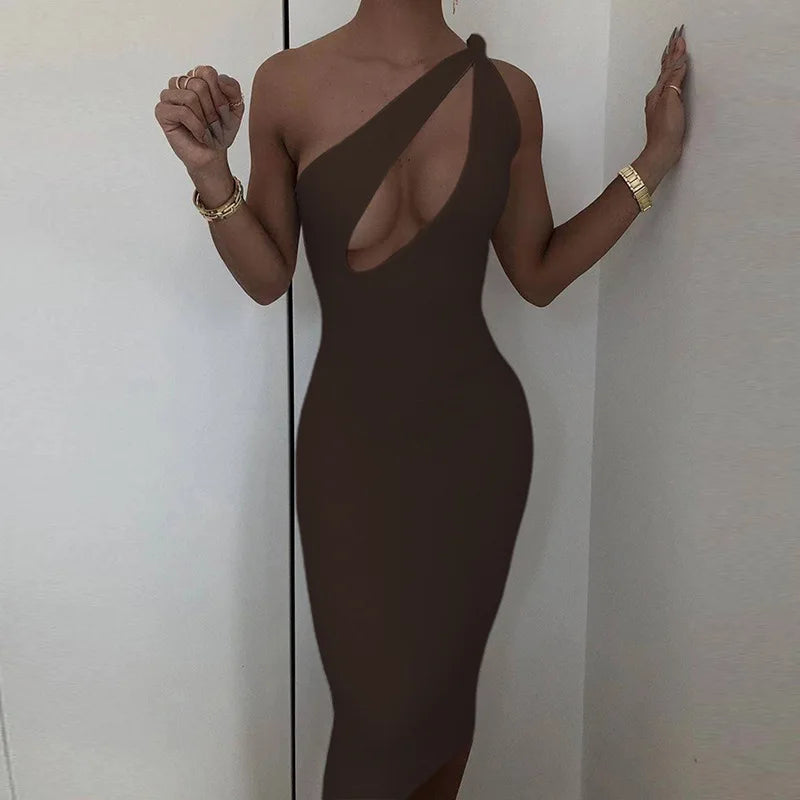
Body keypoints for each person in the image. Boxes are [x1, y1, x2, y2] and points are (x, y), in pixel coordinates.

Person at [154, 5, 688, 798]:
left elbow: (538, 272)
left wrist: (655, 158)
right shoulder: (287, 84)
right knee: (375, 723)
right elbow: (269, 278)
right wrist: (210, 173)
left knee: (441, 713)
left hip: (475, 444)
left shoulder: (510, 93)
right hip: (350, 449)